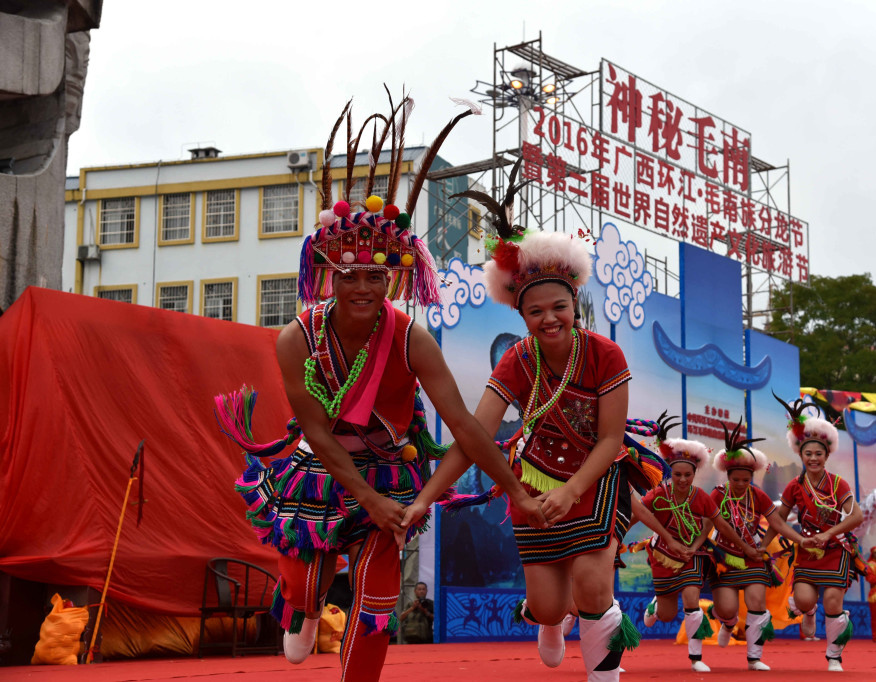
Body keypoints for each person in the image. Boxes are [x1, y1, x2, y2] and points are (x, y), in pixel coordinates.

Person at [214, 97, 545, 682]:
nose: (363, 285)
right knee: (303, 580)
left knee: (375, 604)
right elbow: (315, 430)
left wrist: (512, 491)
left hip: (392, 466)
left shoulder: (411, 337)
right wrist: (369, 500)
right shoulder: (295, 339)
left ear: (394, 275)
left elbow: (465, 428)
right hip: (322, 465)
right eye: (349, 274)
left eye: (375, 274)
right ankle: (302, 609)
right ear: (328, 274)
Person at [404, 206, 664, 682]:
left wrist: (572, 491)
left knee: (591, 583)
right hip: (535, 482)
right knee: (548, 607)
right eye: (536, 311)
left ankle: (603, 676)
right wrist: (426, 498)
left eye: (559, 308)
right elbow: (472, 436)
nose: (549, 319)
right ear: (521, 314)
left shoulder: (606, 355)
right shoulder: (517, 361)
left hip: (596, 478)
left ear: (575, 304)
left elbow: (610, 440)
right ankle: (549, 620)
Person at [632, 415, 761, 673]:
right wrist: (614, 536)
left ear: (694, 473)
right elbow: (637, 514)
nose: (682, 479)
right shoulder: (658, 494)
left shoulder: (700, 497)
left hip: (692, 554)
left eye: (687, 475)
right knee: (668, 615)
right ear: (671, 472)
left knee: (691, 596)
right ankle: (658, 606)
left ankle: (695, 657)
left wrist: (745, 547)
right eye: (677, 474)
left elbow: (720, 524)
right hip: (663, 556)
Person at [762, 396, 865, 672]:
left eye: (819, 453)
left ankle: (834, 656)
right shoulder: (794, 487)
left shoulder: (838, 484)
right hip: (807, 549)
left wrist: (829, 533)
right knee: (807, 599)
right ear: (801, 455)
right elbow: (778, 520)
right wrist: (762, 545)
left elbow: (856, 516)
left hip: (835, 550)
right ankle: (807, 610)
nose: (814, 458)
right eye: (809, 453)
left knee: (832, 600)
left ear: (826, 455)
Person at [705, 421, 808, 672]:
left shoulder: (758, 496)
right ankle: (729, 625)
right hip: (724, 558)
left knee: (757, 603)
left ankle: (754, 657)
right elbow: (705, 525)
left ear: (752, 478)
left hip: (752, 557)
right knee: (726, 609)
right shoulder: (718, 495)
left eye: (746, 479)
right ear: (727, 476)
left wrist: (802, 540)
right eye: (736, 479)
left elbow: (778, 524)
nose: (741, 484)